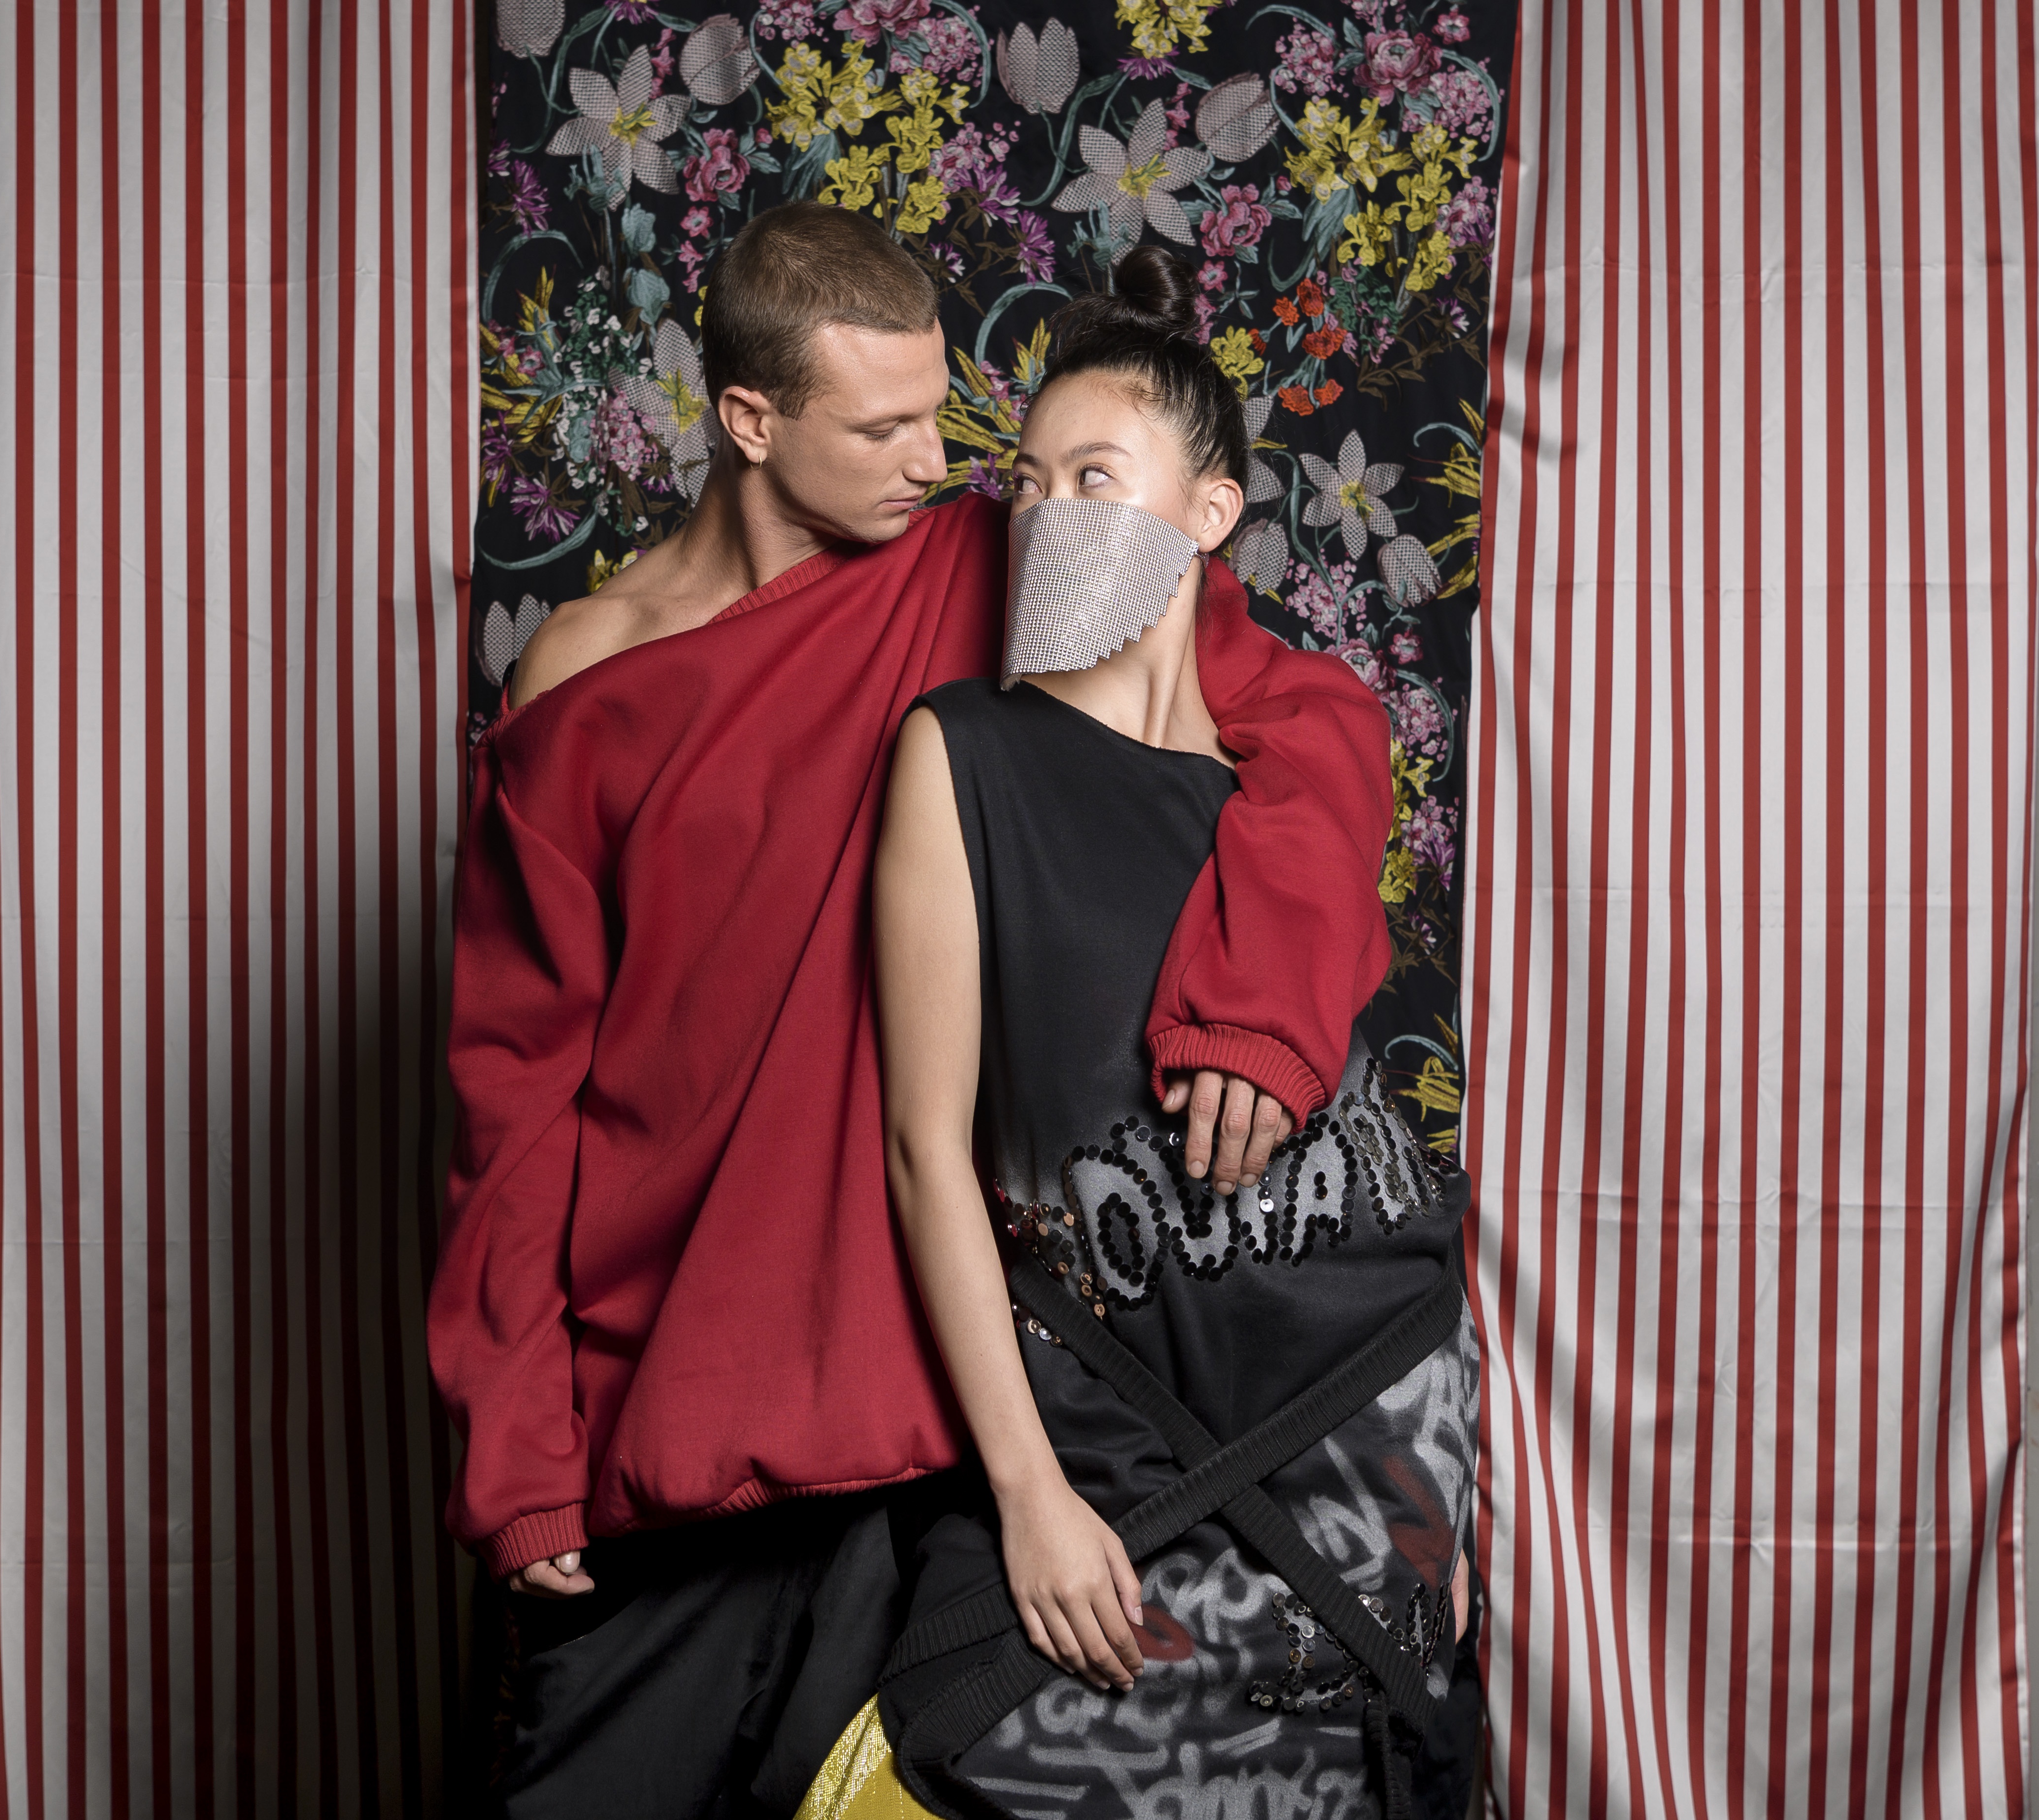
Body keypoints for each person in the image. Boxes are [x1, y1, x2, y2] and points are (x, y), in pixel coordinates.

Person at [429, 204, 1394, 1818]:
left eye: (943, 415)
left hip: (953, 1421)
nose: (939, 462)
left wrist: (1261, 1007)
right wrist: (515, 1445)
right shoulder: (581, 675)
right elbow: (512, 1092)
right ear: (751, 420)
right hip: (668, 1403)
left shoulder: (1008, 560)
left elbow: (1318, 725)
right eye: (883, 430)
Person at [850, 249, 1479, 1819]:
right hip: (1123, 1437)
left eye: (1098, 476)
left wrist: (1443, 1496)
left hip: (1379, 1418)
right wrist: (1027, 1494)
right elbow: (927, 1155)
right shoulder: (965, 756)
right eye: (1032, 482)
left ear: (1208, 514)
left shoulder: (1292, 793)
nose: (1051, 511)